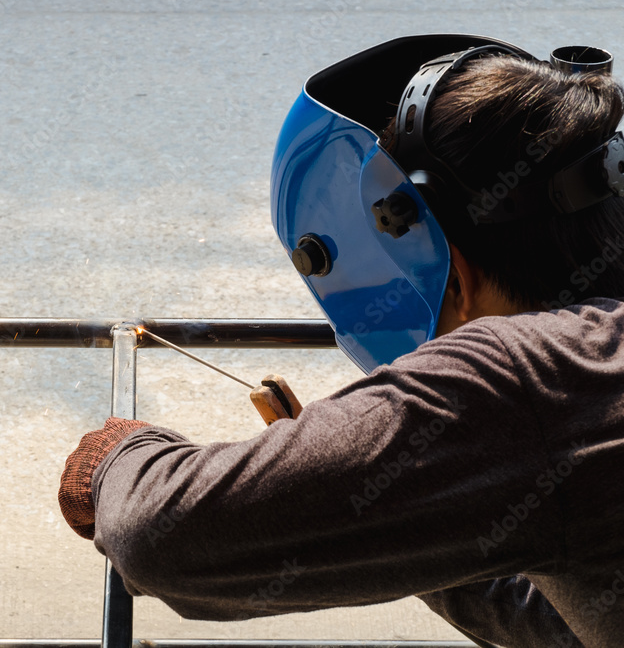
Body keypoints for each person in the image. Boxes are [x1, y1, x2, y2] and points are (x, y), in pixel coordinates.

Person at [59, 34, 624, 648]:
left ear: (451, 274)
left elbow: (161, 537)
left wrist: (118, 460)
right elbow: (562, 615)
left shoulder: (532, 376)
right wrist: (371, 502)